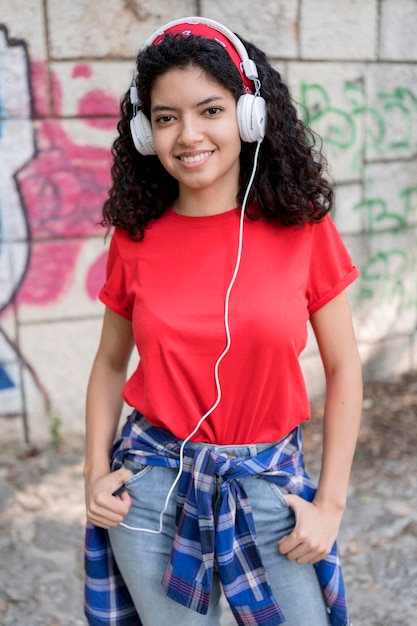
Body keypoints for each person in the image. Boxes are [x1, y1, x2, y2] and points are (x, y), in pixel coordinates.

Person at [83, 16, 362, 626]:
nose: (188, 135)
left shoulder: (304, 230)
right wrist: (94, 474)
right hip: (150, 487)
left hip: (268, 488)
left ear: (250, 115)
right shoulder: (135, 239)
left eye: (210, 110)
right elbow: (109, 364)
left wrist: (330, 506)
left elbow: (344, 369)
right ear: (145, 131)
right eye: (165, 117)